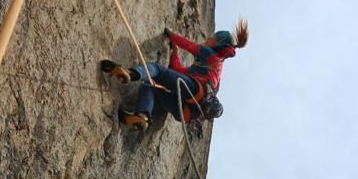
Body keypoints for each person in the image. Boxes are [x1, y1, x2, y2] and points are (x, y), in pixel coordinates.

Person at [100, 19, 248, 132]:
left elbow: (188, 45)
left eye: (213, 37)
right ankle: (141, 117)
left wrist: (171, 34)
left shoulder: (211, 55)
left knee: (157, 70)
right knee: (150, 88)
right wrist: (174, 53)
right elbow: (178, 72)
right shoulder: (212, 70)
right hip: (187, 113)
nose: (208, 38)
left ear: (217, 42)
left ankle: (132, 73)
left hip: (195, 91)